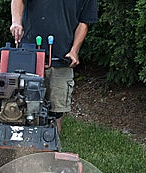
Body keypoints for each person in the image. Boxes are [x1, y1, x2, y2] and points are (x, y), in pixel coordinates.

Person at [10, 0, 98, 134]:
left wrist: (74, 51)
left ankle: (50, 146)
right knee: (22, 106)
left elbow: (84, 22)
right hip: (29, 55)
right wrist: (16, 22)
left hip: (61, 58)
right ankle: (20, 146)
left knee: (56, 112)